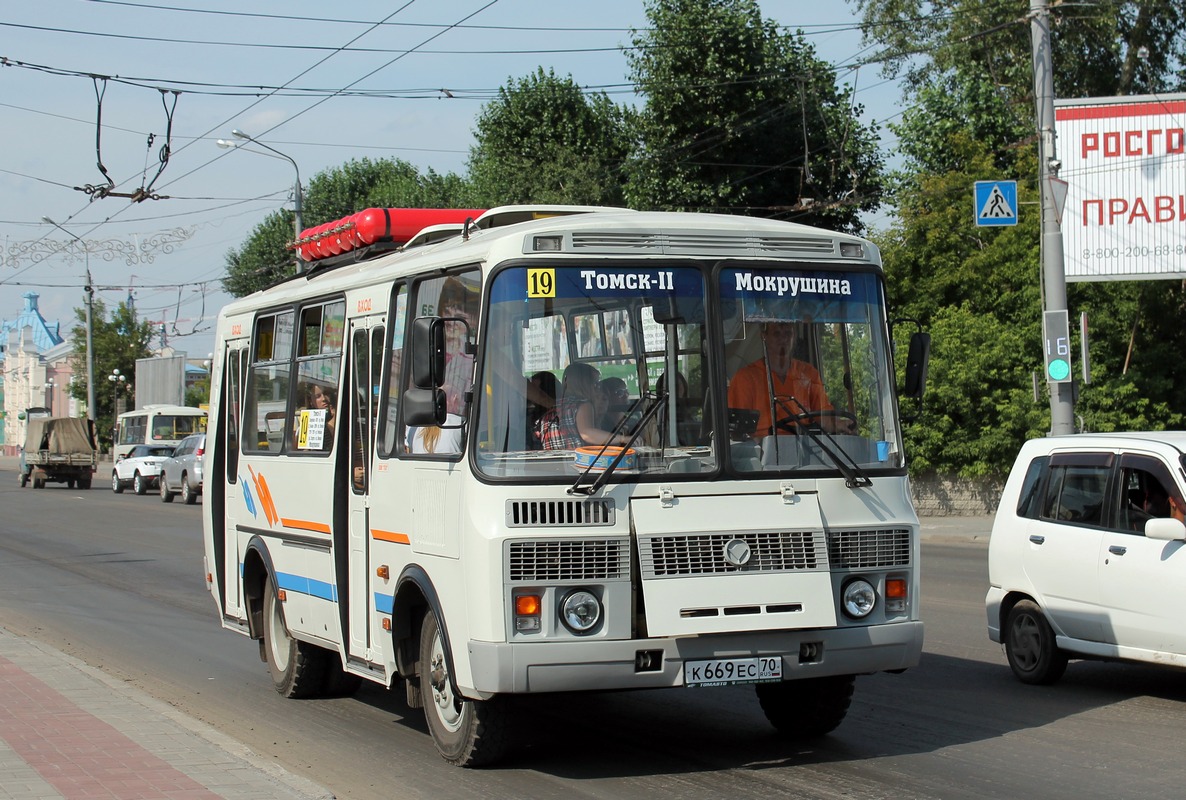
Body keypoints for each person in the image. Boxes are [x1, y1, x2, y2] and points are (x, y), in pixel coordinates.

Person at [727, 321, 852, 437]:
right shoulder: (745, 379)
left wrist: (838, 425)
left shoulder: (809, 374)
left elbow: (824, 418)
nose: (783, 339)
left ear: (794, 335)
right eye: (777, 333)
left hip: (805, 451)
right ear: (764, 336)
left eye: (788, 333)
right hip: (762, 456)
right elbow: (738, 434)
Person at [540, 362, 631, 450]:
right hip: (577, 460)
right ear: (585, 384)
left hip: (552, 461)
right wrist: (623, 439)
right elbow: (587, 433)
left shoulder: (553, 406)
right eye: (595, 384)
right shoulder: (583, 405)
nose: (598, 388)